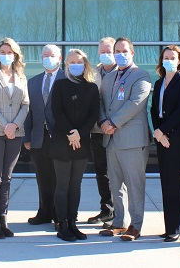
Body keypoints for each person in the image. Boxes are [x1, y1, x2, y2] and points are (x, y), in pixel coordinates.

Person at [98, 37, 151, 242]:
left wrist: (112, 122)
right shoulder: (109, 77)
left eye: (124, 51)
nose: (120, 54)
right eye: (116, 51)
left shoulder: (141, 75)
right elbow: (100, 101)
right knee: (115, 185)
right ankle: (118, 222)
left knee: (134, 184)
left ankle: (135, 225)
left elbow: (135, 102)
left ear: (132, 53)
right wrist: (103, 120)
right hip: (110, 140)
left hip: (132, 140)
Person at [0, 37, 30, 239]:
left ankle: (3, 218)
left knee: (7, 178)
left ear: (16, 55)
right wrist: (5, 126)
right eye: (3, 51)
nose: (6, 55)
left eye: (10, 52)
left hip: (15, 133)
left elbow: (26, 104)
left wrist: (15, 125)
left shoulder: (21, 76)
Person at [50, 49, 99, 242]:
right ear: (66, 65)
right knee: (62, 185)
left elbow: (93, 115)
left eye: (78, 62)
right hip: (62, 142)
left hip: (82, 142)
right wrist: (71, 133)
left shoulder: (92, 88)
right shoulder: (60, 85)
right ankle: (62, 224)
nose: (74, 65)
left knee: (75, 185)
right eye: (71, 62)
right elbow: (57, 112)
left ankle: (72, 222)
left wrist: (80, 133)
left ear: (85, 64)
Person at [150, 45, 180, 242]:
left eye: (172, 57)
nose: (168, 60)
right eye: (165, 57)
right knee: (165, 182)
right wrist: (158, 133)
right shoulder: (158, 83)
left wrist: (164, 131)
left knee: (175, 183)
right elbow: (153, 109)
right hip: (161, 138)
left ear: (179, 60)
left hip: (175, 137)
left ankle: (176, 227)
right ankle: (169, 227)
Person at [24, 44, 64, 227]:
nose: (48, 58)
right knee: (43, 177)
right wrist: (27, 138)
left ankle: (59, 214)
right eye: (45, 55)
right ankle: (44, 212)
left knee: (59, 178)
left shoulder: (68, 78)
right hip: (38, 138)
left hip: (60, 138)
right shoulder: (33, 82)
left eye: (52, 55)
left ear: (60, 58)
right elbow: (28, 111)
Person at [87, 37, 116, 225]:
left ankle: (120, 213)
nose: (106, 55)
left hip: (117, 130)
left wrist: (112, 122)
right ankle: (106, 209)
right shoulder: (94, 73)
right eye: (103, 52)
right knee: (101, 172)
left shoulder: (125, 72)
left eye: (109, 51)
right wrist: (102, 121)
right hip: (98, 129)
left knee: (118, 173)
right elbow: (93, 100)